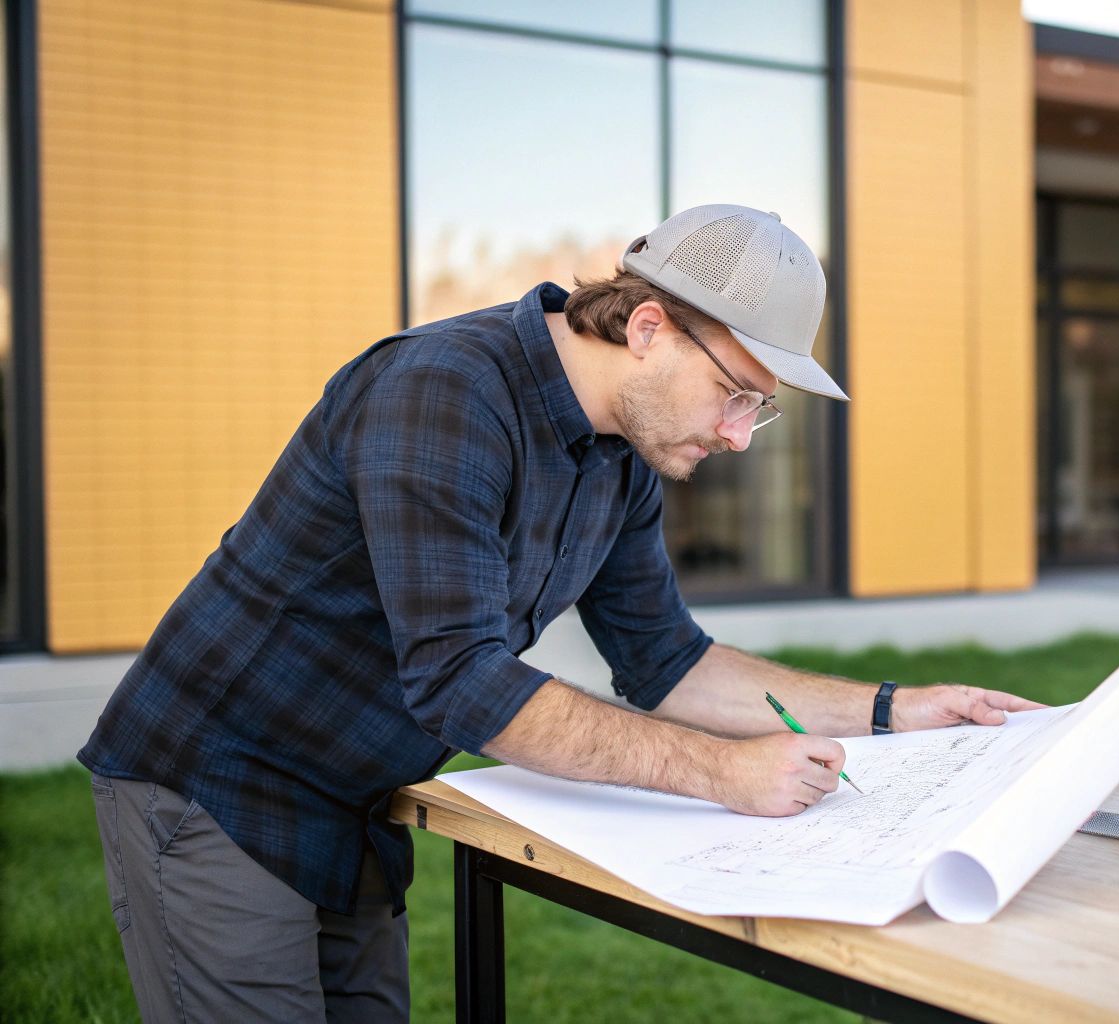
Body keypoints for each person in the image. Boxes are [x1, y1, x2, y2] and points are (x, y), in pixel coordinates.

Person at [78, 204, 1040, 1021]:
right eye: (735, 394)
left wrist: (893, 707)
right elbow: (461, 681)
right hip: (212, 787)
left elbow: (669, 661)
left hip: (358, 803)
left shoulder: (623, 453)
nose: (740, 435)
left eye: (762, 407)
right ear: (651, 328)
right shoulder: (443, 391)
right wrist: (726, 775)